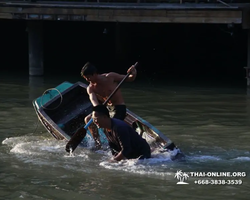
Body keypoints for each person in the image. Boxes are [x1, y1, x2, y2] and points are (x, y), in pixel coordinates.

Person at [80, 62, 137, 148]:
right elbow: (93, 99)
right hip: (106, 108)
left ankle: (121, 144)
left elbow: (129, 78)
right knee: (88, 119)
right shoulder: (91, 88)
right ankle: (98, 143)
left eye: (88, 77)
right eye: (85, 78)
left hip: (119, 107)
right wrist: (97, 109)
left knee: (109, 126)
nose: (87, 80)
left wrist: (133, 73)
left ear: (95, 74)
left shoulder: (110, 77)